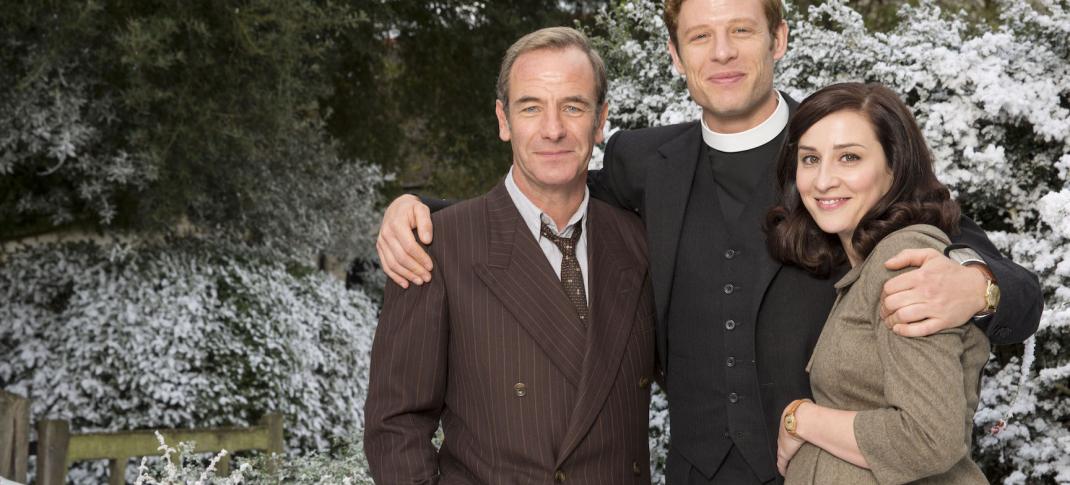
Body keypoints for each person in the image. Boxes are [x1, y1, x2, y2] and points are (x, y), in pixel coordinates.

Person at [374, 0, 1043, 483]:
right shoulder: (642, 163)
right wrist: (421, 211)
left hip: (832, 470)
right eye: (700, 35)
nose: (720, 54)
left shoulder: (836, 157)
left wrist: (976, 283)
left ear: (779, 39)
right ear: (676, 54)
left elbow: (1017, 292)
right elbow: (547, 193)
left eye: (741, 31)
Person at [363, 27, 657, 484]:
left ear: (600, 120)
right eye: (531, 107)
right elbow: (395, 424)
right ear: (503, 120)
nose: (553, 129)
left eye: (573, 107)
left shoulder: (637, 240)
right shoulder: (436, 248)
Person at [768, 82, 989, 484]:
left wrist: (802, 419)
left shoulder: (902, 261)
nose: (822, 181)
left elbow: (927, 438)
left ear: (894, 167)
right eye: (810, 159)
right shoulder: (867, 263)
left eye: (849, 157)